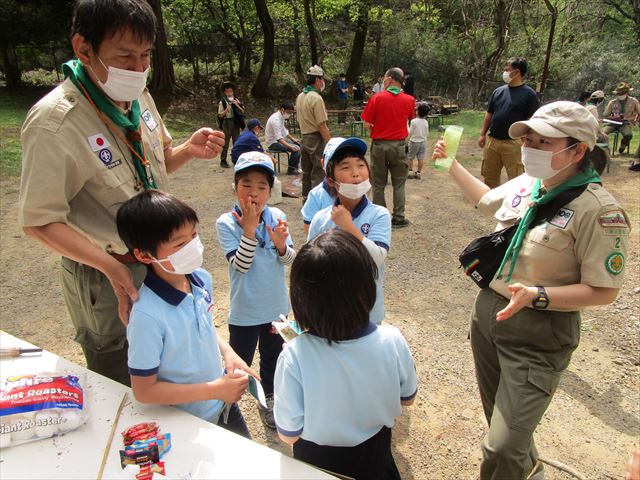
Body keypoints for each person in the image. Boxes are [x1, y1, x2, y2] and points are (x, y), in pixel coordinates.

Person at [18, 0, 225, 386]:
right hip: (104, 271)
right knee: (122, 376)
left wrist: (187, 151)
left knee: (171, 358)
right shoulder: (54, 122)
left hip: (157, 260)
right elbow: (39, 221)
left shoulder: (138, 96)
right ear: (84, 48)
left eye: (146, 55)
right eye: (125, 56)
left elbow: (157, 160)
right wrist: (113, 269)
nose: (138, 68)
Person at [433, 101, 630, 480]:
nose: (531, 149)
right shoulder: (529, 183)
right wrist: (451, 165)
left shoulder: (599, 211)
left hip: (539, 332)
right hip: (488, 319)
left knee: (501, 447)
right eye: (530, 140)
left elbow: (604, 290)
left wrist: (538, 295)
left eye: (544, 142)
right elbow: (484, 198)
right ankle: (531, 470)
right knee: (501, 426)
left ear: (578, 150)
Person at [274, 229, 417, 480]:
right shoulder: (392, 339)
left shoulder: (294, 356)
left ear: (300, 298)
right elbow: (407, 399)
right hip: (376, 454)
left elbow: (289, 434)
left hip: (317, 462)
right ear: (366, 288)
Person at [116, 190, 254, 438]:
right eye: (180, 244)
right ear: (144, 255)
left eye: (194, 236)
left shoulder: (201, 279)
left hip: (222, 406)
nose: (193, 247)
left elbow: (203, 326)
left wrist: (228, 352)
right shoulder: (146, 316)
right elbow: (144, 391)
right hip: (184, 423)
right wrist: (214, 389)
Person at [215, 152, 296, 429]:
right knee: (239, 363)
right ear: (235, 187)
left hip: (276, 307)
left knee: (274, 357)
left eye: (262, 186)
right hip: (245, 311)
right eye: (246, 185)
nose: (254, 193)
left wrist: (282, 245)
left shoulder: (278, 216)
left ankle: (269, 399)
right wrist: (249, 231)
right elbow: (240, 267)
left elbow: (290, 260)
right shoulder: (226, 222)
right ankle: (225, 406)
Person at [307, 137, 391, 325]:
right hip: (330, 311)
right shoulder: (320, 219)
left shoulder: (379, 214)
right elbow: (310, 266)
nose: (355, 174)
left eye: (361, 165)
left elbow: (377, 258)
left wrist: (348, 227)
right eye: (345, 167)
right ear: (331, 180)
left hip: (367, 312)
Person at [361, 67, 415, 228]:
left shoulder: (376, 98)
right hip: (399, 145)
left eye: (384, 78)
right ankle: (399, 217)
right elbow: (409, 120)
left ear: (390, 78)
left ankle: (380, 218)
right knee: (399, 183)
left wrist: (376, 131)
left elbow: (366, 123)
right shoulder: (409, 100)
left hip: (379, 145)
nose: (383, 81)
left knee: (378, 184)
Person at [478, 57, 540, 188]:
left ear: (517, 72)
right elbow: (489, 114)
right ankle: (490, 204)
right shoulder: (498, 91)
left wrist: (527, 141)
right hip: (492, 142)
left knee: (516, 179)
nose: (504, 72)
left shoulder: (529, 94)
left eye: (507, 70)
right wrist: (483, 134)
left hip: (514, 144)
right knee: (489, 177)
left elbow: (532, 121)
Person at [296, 65, 331, 201]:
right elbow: (322, 125)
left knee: (306, 171)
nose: (323, 82)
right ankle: (317, 201)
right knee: (318, 170)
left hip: (304, 137)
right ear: (317, 79)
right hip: (316, 138)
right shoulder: (316, 98)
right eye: (322, 79)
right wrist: (330, 142)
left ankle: (306, 198)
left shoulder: (300, 96)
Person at [300, 138, 343, 234]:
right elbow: (309, 230)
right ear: (323, 163)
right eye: (342, 165)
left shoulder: (358, 193)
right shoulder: (316, 196)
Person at [602, 82, 640, 155]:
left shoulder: (634, 101)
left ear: (626, 92)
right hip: (612, 123)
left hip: (625, 123)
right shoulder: (612, 102)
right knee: (602, 134)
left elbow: (639, 113)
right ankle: (605, 150)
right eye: (618, 94)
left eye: (622, 93)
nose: (620, 95)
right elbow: (606, 115)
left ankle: (622, 146)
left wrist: (635, 121)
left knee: (628, 135)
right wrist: (613, 117)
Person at [265, 102, 301, 175]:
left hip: (278, 140)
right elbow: (279, 138)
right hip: (273, 143)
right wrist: (290, 146)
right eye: (288, 112)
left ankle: (295, 167)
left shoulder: (281, 117)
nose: (290, 114)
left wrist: (293, 139)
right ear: (282, 109)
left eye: (291, 112)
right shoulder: (275, 119)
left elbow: (284, 131)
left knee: (298, 144)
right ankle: (291, 170)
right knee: (296, 148)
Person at [217, 81, 245, 168]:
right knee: (225, 142)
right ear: (225, 92)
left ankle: (236, 159)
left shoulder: (236, 100)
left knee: (236, 142)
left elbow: (242, 111)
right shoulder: (222, 102)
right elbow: (220, 115)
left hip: (235, 122)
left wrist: (237, 105)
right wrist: (226, 110)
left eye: (231, 91)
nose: (230, 93)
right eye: (228, 91)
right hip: (227, 122)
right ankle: (223, 160)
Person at [407, 102, 430, 179]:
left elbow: (410, 132)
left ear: (418, 112)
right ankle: (419, 172)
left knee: (410, 157)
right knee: (421, 158)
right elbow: (427, 133)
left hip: (414, 142)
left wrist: (406, 125)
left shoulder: (414, 121)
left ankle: (410, 171)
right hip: (423, 142)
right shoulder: (426, 122)